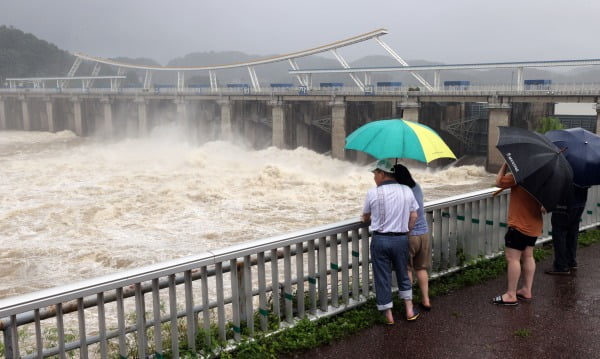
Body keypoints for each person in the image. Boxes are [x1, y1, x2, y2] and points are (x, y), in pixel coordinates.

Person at [362, 159, 420, 322]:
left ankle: (389, 316)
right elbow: (414, 215)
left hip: (380, 240)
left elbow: (366, 217)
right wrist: (405, 230)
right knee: (403, 272)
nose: (374, 178)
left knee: (382, 277)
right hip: (400, 239)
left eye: (375, 174)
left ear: (382, 173)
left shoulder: (372, 193)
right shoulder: (407, 190)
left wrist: (368, 218)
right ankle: (409, 310)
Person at [492, 162, 544, 305]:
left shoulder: (521, 174)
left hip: (519, 225)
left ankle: (510, 295)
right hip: (534, 225)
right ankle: (526, 290)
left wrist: (505, 165)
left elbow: (498, 182)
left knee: (512, 258)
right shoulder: (543, 177)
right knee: (528, 256)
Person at [394, 164, 432, 311]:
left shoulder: (403, 192)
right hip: (424, 234)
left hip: (410, 236)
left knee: (407, 270)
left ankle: (408, 304)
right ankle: (426, 300)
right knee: (421, 269)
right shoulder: (417, 187)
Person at [546, 184, 589, 275]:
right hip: (581, 202)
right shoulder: (584, 171)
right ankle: (571, 261)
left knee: (559, 232)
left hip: (564, 204)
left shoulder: (567, 169)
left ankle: (561, 265)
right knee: (573, 231)